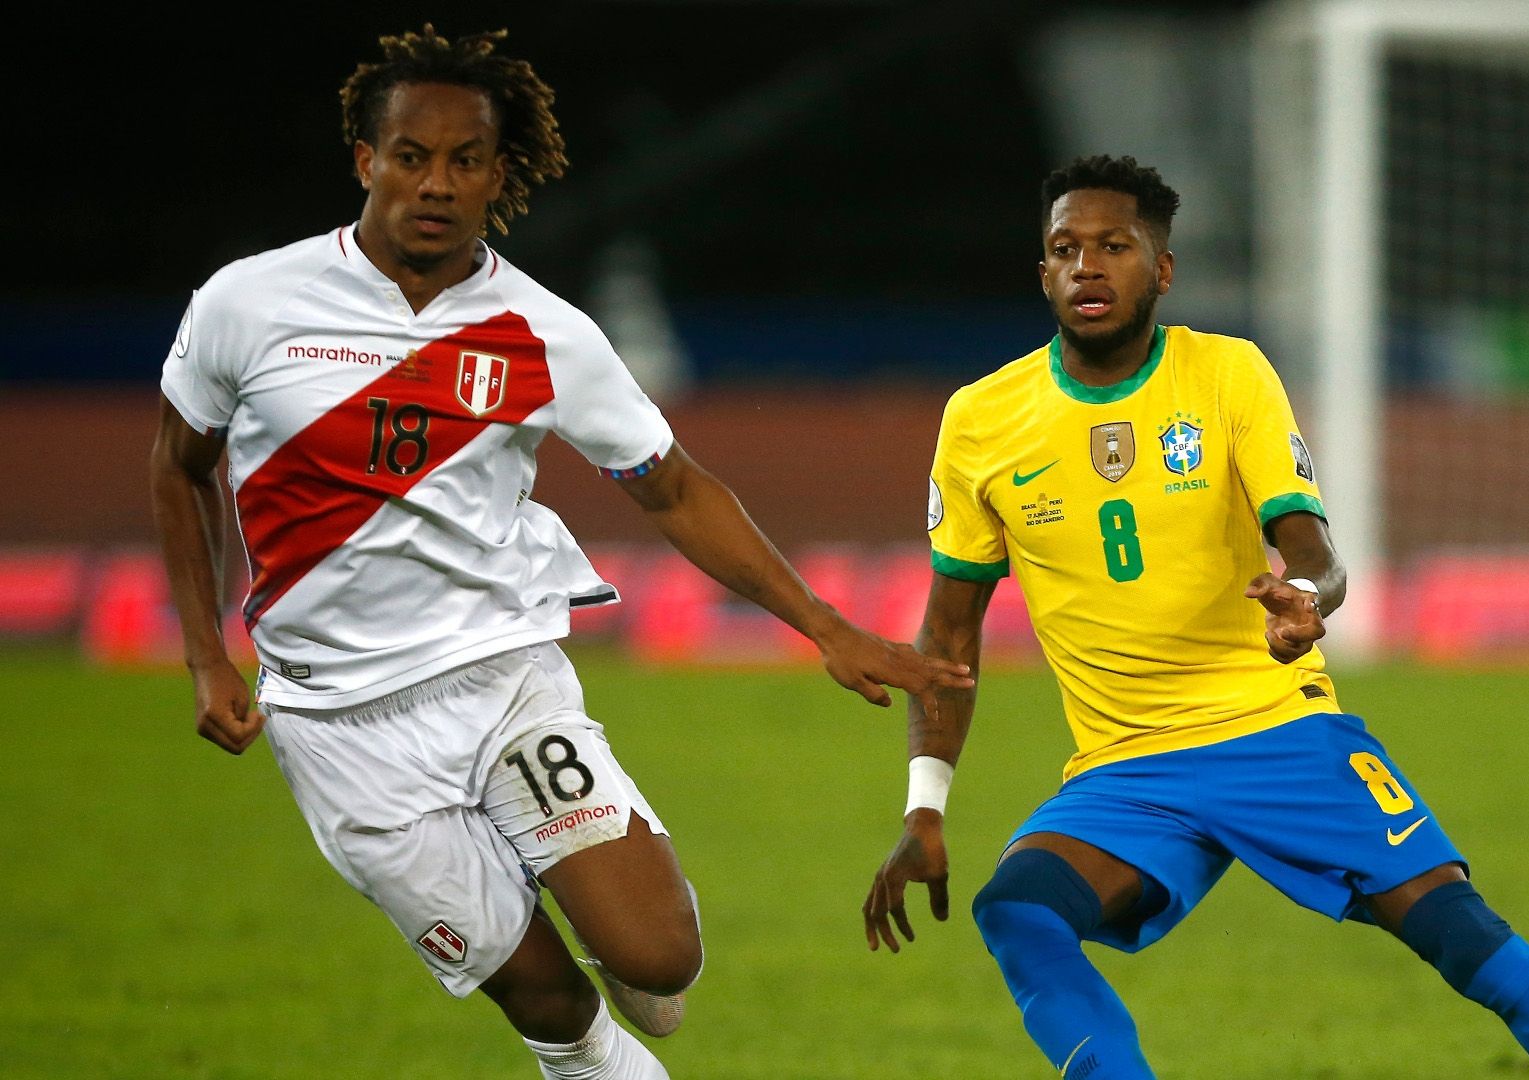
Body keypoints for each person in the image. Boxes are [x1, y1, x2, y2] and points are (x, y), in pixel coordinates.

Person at [148, 25, 971, 1080]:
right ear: (366, 160)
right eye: (411, 157)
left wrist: (824, 625)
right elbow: (179, 466)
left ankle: (602, 934)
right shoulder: (248, 304)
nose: (435, 184)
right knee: (552, 1003)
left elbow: (672, 486)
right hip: (340, 725)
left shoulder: (544, 332)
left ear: (502, 171)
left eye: (464, 160)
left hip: (502, 683)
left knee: (661, 958)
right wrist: (207, 656)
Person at [862, 155, 1529, 1080]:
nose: (1087, 268)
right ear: (1043, 274)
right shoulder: (980, 419)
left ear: (1165, 267)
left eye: (1115, 246)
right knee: (1020, 912)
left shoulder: (1227, 373)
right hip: (1126, 767)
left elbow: (1315, 555)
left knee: (1459, 936)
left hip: (1273, 732)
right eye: (1065, 250)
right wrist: (924, 806)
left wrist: (1305, 605)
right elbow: (948, 638)